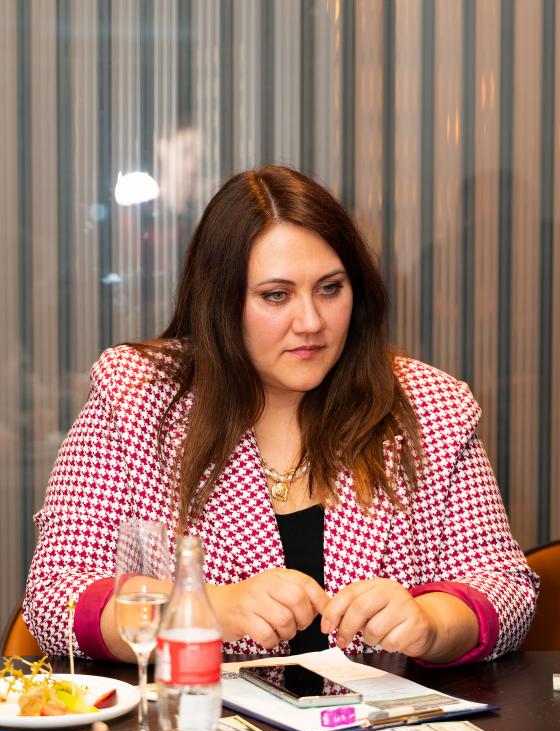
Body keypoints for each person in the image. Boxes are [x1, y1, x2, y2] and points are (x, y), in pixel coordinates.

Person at [23, 166, 538, 664]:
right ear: (220, 302)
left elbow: (506, 588)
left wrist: (432, 622)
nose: (311, 322)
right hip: (202, 719)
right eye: (276, 295)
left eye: (330, 288)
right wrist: (205, 607)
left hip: (377, 722)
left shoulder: (428, 405)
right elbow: (54, 598)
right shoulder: (138, 395)